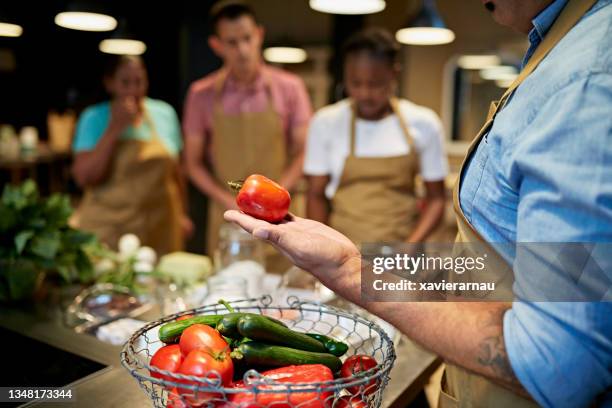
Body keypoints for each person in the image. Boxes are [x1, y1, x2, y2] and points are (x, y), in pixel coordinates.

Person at [225, 0, 612, 407]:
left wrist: (356, 269)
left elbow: (558, 363)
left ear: (394, 77)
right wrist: (353, 265)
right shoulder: (557, 48)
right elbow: (513, 256)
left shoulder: (585, 79)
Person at [183, 0, 312, 255]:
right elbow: (193, 164)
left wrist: (275, 198)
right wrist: (226, 199)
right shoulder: (201, 94)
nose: (242, 50)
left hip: (281, 217)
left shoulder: (290, 87)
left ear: (259, 35)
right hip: (229, 214)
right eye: (232, 42)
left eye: (247, 38)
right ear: (216, 45)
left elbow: (304, 151)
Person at [304, 28, 447, 244]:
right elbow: (315, 195)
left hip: (402, 255)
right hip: (344, 250)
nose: (364, 94)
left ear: (394, 74)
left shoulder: (424, 123)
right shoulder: (325, 123)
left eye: (375, 84)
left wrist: (410, 247)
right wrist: (325, 246)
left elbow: (436, 199)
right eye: (355, 83)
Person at [71, 55, 192, 255]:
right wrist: (114, 128)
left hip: (160, 226)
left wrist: (183, 214)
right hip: (110, 227)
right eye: (125, 83)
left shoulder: (164, 113)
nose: (133, 90)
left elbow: (177, 172)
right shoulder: (94, 118)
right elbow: (84, 177)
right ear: (109, 84)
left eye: (139, 82)